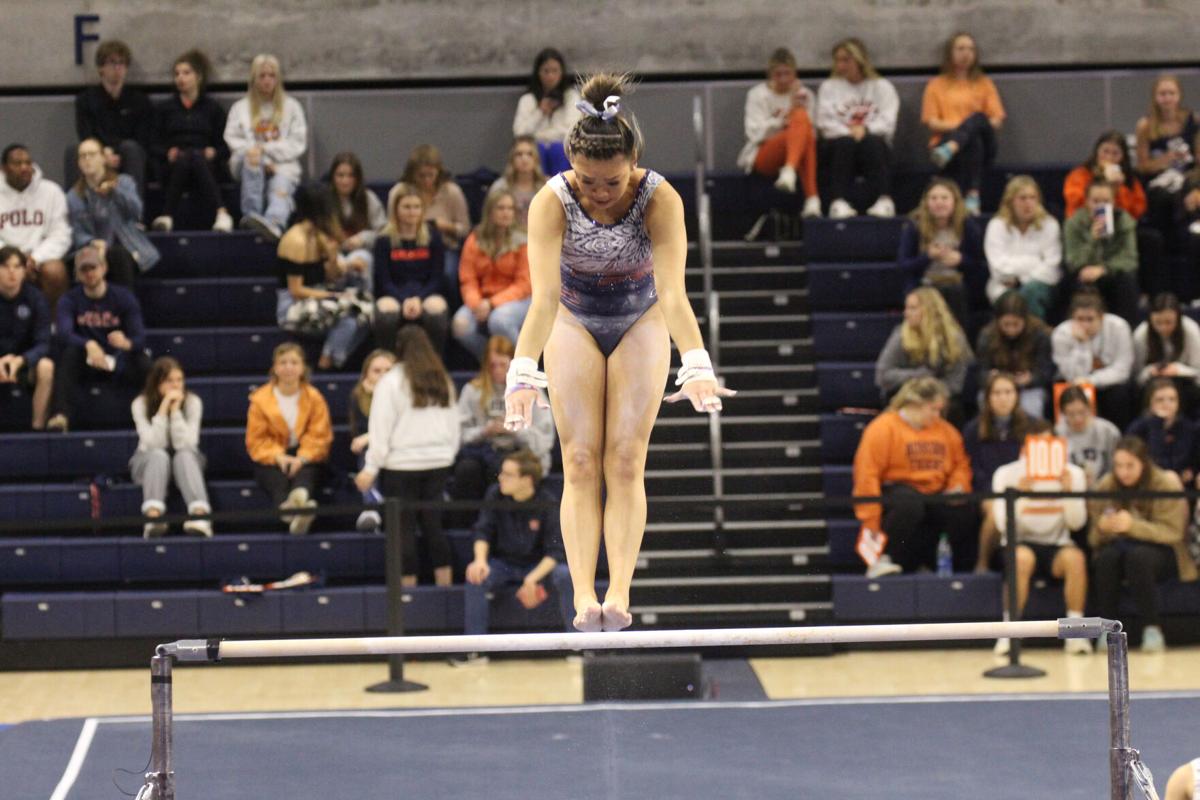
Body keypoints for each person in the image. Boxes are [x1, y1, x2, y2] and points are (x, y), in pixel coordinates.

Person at [505, 73, 733, 632]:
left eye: (610, 182)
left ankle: (620, 591)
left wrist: (697, 364)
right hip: (574, 319)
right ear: (570, 165)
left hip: (641, 318)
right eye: (587, 180)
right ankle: (585, 595)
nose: (598, 193)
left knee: (626, 459)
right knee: (580, 459)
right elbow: (543, 300)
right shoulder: (551, 200)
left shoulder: (660, 198)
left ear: (632, 165)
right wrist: (520, 373)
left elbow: (675, 295)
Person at [355, 326, 459, 587]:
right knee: (434, 527)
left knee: (404, 533)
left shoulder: (390, 382)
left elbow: (380, 429)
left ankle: (408, 598)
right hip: (439, 463)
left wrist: (370, 467)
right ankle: (444, 591)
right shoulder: (442, 379)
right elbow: (455, 427)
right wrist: (447, 455)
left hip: (400, 467)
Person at [852, 377, 975, 578]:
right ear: (914, 404)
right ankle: (883, 557)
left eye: (939, 410)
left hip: (935, 492)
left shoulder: (946, 431)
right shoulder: (882, 428)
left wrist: (957, 486)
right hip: (896, 490)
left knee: (963, 509)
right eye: (932, 409)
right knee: (910, 505)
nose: (937, 415)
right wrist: (870, 520)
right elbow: (867, 474)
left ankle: (933, 562)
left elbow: (960, 465)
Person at [989, 419, 1090, 655]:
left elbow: (1077, 523)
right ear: (1024, 447)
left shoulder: (1072, 474)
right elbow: (1004, 524)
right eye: (1036, 445)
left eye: (1048, 443)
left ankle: (1075, 635)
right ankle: (1008, 634)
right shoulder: (1006, 474)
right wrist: (1021, 496)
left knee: (1075, 559)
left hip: (1057, 545)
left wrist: (1068, 493)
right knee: (1021, 559)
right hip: (1020, 543)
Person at [1088, 435, 1194, 653]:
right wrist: (1102, 528)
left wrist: (1131, 526)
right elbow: (1092, 540)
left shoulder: (1163, 483)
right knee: (1106, 558)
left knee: (1138, 557)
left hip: (1164, 551)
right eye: (1118, 465)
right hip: (1119, 548)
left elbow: (1172, 533)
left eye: (1130, 465)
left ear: (1143, 463)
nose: (1123, 472)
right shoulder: (1107, 485)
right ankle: (1106, 630)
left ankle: (1152, 629)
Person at [462, 449, 569, 652]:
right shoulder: (495, 494)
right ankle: (473, 649)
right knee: (475, 577)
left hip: (538, 566)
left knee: (565, 575)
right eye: (502, 473)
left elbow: (555, 551)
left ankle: (581, 645)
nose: (501, 478)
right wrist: (480, 561)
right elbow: (483, 531)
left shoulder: (547, 501)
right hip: (504, 564)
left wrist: (532, 579)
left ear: (527, 479)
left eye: (508, 474)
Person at [451, 335, 555, 525]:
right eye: (492, 365)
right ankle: (466, 525)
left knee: (506, 469)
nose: (498, 370)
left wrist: (515, 430)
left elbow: (545, 441)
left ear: (512, 364)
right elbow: (459, 435)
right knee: (467, 470)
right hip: (485, 451)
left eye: (502, 364)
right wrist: (486, 431)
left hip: (520, 452)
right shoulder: (472, 391)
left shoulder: (531, 391)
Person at [48, 246, 150, 432]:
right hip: (86, 360)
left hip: (116, 359)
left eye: (93, 268)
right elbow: (63, 333)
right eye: (84, 270)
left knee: (142, 361)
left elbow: (140, 337)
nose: (89, 274)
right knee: (69, 354)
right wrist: (88, 343)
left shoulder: (123, 297)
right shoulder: (69, 300)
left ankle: (153, 412)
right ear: (77, 274)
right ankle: (60, 415)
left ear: (104, 268)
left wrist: (127, 343)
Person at [275, 183, 371, 370]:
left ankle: (333, 357)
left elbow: (331, 278)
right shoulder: (296, 240)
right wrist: (334, 297)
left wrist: (333, 257)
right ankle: (328, 361)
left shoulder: (317, 235)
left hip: (318, 294)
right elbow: (296, 290)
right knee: (351, 317)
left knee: (368, 311)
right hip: (291, 305)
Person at [246, 342, 331, 535]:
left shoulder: (314, 397)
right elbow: (256, 441)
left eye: (294, 362)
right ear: (275, 368)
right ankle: (295, 510)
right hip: (274, 457)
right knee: (273, 475)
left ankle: (297, 499)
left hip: (305, 455)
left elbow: (320, 436)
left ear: (302, 368)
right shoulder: (259, 400)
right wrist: (278, 456)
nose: (288, 367)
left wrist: (302, 458)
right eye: (283, 362)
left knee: (308, 470)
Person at [223, 54, 307, 240]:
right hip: (247, 162)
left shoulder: (292, 107)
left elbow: (297, 143)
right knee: (252, 157)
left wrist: (266, 152)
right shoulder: (240, 108)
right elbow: (232, 139)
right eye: (262, 76)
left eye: (271, 76)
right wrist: (261, 158)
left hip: (282, 164)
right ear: (254, 79)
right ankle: (252, 215)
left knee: (281, 183)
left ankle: (274, 223)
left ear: (278, 79)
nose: (267, 80)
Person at [920, 32, 1005, 215]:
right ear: (950, 53)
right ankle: (972, 195)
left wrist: (966, 127)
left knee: (978, 119)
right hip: (944, 145)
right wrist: (966, 129)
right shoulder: (936, 84)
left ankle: (954, 145)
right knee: (973, 137)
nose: (966, 53)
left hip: (976, 147)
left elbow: (996, 120)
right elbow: (932, 122)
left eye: (970, 49)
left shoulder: (984, 83)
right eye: (960, 49)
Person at [129, 356, 213, 539]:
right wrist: (164, 408)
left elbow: (187, 443)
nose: (175, 386)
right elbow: (152, 443)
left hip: (186, 463)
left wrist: (175, 413)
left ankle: (200, 517)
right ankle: (153, 517)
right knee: (159, 455)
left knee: (183, 455)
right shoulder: (140, 404)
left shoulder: (193, 402)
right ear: (157, 383)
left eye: (179, 380)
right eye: (169, 381)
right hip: (148, 463)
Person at [814, 37, 899, 218]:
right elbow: (823, 123)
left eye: (846, 60)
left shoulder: (882, 86)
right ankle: (838, 202)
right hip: (839, 147)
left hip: (872, 145)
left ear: (860, 60)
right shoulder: (829, 87)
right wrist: (850, 132)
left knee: (873, 142)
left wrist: (865, 130)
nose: (841, 65)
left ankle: (884, 200)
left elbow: (888, 121)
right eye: (837, 60)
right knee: (844, 143)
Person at [150, 49, 232, 233]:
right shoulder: (165, 109)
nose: (180, 78)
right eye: (177, 74)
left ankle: (167, 215)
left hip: (206, 168)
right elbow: (153, 144)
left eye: (186, 73)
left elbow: (225, 147)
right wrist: (166, 153)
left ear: (199, 77)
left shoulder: (213, 109)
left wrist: (214, 152)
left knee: (194, 156)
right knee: (187, 156)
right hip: (174, 168)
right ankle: (221, 212)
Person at [736, 47, 822, 217]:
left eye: (787, 74)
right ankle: (809, 194)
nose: (783, 79)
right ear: (770, 74)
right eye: (778, 74)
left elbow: (813, 135)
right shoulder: (758, 95)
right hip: (764, 154)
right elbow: (754, 134)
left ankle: (809, 198)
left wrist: (795, 111)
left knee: (803, 121)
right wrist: (784, 120)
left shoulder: (805, 96)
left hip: (799, 151)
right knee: (799, 117)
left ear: (795, 74)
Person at [68, 138, 160, 288]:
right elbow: (76, 232)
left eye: (92, 154)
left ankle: (126, 309)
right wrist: (92, 242)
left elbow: (137, 212)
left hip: (129, 247)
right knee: (92, 261)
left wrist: (116, 192)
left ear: (103, 158)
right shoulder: (74, 196)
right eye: (82, 156)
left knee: (118, 255)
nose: (87, 159)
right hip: (94, 249)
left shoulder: (124, 182)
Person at [452, 190, 531, 361]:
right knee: (460, 325)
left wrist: (492, 303)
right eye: (501, 208)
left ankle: (523, 366)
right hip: (482, 299)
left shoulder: (523, 240)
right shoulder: (475, 239)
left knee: (499, 320)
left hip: (519, 299)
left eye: (510, 209)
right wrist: (476, 303)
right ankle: (491, 365)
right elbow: (468, 279)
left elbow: (524, 284)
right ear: (490, 211)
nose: (506, 213)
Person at [896, 178, 985, 329]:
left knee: (955, 292)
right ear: (926, 202)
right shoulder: (914, 226)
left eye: (944, 198)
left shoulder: (967, 225)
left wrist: (961, 260)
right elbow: (903, 265)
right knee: (929, 296)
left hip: (957, 284)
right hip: (925, 283)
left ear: (954, 202)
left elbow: (979, 263)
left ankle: (957, 345)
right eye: (934, 198)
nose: (939, 203)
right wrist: (927, 256)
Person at [963, 372, 1031, 572]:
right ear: (988, 398)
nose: (1003, 398)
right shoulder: (973, 429)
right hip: (988, 490)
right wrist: (993, 491)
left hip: (1024, 488)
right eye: (997, 393)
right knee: (996, 512)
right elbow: (972, 467)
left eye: (1008, 392)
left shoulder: (1031, 425)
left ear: (1016, 395)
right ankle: (982, 563)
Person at [874, 287, 973, 422]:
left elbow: (955, 383)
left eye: (913, 308)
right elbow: (883, 375)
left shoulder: (954, 339)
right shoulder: (901, 335)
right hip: (906, 398)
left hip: (940, 400)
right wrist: (919, 376)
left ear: (930, 311)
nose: (906, 313)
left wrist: (930, 391)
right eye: (907, 308)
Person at [372, 182, 449, 353]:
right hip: (393, 292)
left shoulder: (432, 237)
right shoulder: (384, 240)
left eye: (416, 207)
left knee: (437, 310)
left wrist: (419, 299)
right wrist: (403, 299)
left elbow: (437, 278)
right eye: (406, 207)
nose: (412, 212)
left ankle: (434, 361)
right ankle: (388, 359)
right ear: (396, 210)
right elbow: (383, 280)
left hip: (426, 291)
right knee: (386, 312)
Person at [390, 145, 470, 303]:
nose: (427, 180)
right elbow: (390, 227)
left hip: (446, 246)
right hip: (408, 246)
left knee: (448, 272)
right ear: (412, 174)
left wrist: (447, 226)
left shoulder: (451, 191)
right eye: (421, 176)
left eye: (431, 175)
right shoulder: (400, 191)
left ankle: (452, 311)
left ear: (439, 172)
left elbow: (466, 229)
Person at [72, 39, 152, 195]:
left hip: (129, 154)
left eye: (121, 63)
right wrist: (103, 154)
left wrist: (116, 152)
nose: (117, 68)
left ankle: (134, 213)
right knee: (75, 151)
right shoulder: (86, 100)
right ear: (101, 68)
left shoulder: (140, 101)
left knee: (131, 148)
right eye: (112, 63)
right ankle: (79, 211)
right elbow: (86, 134)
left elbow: (144, 138)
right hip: (98, 153)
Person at [1051, 287, 1134, 429]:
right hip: (1075, 384)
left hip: (1109, 384)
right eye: (1079, 319)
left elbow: (1122, 370)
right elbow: (1071, 375)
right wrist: (1081, 344)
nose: (1084, 325)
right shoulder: (1061, 334)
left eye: (1090, 319)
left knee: (1120, 394)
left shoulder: (1119, 327)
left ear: (1102, 317)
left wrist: (1091, 381)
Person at [0, 144, 70, 309]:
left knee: (55, 271)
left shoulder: (51, 191)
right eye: (17, 163)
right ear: (4, 168)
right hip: (3, 258)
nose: (24, 167)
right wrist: (13, 260)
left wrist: (36, 258)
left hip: (39, 259)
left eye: (27, 162)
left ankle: (53, 327)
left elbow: (61, 234)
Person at [1134, 75, 1198, 251]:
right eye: (1162, 94)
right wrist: (1165, 160)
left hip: (1188, 178)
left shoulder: (1193, 120)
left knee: (1189, 192)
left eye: (1171, 93)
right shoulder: (1146, 126)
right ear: (1155, 97)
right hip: (1159, 183)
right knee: (1168, 197)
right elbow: (1142, 166)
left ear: (1179, 96)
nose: (1167, 98)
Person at [983, 175, 1061, 319]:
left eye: (1033, 198)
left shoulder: (1050, 224)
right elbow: (998, 269)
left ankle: (1034, 339)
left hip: (1041, 285)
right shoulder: (997, 225)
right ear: (1010, 201)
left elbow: (1052, 268)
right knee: (1009, 301)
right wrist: (1033, 262)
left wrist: (1020, 280)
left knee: (1031, 292)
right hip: (1002, 286)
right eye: (1022, 198)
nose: (1028, 203)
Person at [1063, 178, 1140, 324]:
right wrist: (1093, 240)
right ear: (1086, 202)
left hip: (1112, 273)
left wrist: (1105, 269)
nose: (1100, 205)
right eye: (1095, 201)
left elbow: (1130, 259)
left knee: (1127, 281)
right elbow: (1073, 261)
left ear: (1113, 202)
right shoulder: (1073, 223)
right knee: (1071, 283)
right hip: (1084, 273)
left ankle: (1128, 333)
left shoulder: (1124, 221)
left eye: (1106, 201)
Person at [975, 290, 1054, 419]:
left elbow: (1046, 370)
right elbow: (981, 370)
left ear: (1025, 319)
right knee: (984, 400)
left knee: (1032, 406)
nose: (1011, 329)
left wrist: (1031, 378)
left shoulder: (1040, 335)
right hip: (998, 385)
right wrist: (990, 378)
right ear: (998, 321)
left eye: (1016, 324)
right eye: (1006, 324)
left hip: (1028, 388)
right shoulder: (987, 336)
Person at [0, 247, 53, 430]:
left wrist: (21, 360)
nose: (12, 272)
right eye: (6, 267)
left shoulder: (35, 299)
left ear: (24, 271)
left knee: (46, 366)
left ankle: (37, 427)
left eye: (17, 266)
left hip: (24, 363)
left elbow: (44, 343)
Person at [348, 348, 396, 532]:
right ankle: (371, 508)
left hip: (403, 448)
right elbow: (357, 433)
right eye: (377, 371)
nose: (383, 376)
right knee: (368, 452)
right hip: (375, 451)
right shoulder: (358, 396)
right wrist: (375, 398)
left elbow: (398, 428)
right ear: (366, 375)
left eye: (388, 371)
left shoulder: (406, 395)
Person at [512, 48, 581, 176]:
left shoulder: (571, 97)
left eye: (555, 71)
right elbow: (520, 133)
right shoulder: (528, 100)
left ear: (562, 73)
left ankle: (562, 192)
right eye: (546, 71)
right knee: (538, 149)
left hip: (562, 149)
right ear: (538, 73)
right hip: (537, 149)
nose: (550, 76)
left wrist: (544, 136)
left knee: (557, 149)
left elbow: (573, 130)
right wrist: (540, 113)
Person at [1132, 292, 1200, 415]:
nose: (1163, 328)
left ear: (1178, 319)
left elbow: (1198, 371)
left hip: (1184, 381)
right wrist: (1150, 370)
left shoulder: (1190, 330)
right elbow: (1136, 374)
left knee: (1186, 389)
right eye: (1158, 322)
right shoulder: (1141, 334)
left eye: (1168, 322)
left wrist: (1178, 370)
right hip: (1151, 382)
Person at [1127, 377, 1199, 486]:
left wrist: (1192, 471)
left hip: (1182, 483)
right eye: (1160, 400)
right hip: (1146, 483)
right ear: (1149, 402)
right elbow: (1156, 462)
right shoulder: (1138, 428)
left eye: (1172, 399)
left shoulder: (1188, 427)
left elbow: (1191, 461)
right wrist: (1157, 425)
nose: (1167, 404)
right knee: (1170, 477)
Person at [1055, 384, 1121, 487]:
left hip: (1104, 490)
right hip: (1070, 490)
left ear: (1089, 407)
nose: (1078, 419)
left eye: (1082, 412)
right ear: (1063, 413)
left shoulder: (1108, 431)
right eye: (1071, 414)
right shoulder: (1057, 434)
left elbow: (1117, 467)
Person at [329, 152, 387, 260]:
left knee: (359, 259)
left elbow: (383, 232)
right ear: (332, 177)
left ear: (358, 178)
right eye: (340, 175)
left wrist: (364, 238)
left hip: (362, 252)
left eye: (350, 176)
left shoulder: (368, 198)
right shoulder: (324, 199)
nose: (345, 181)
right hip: (332, 253)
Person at [489, 136, 548, 228]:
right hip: (509, 238)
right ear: (512, 159)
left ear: (536, 159)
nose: (524, 159)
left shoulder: (548, 186)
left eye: (530, 154)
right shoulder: (500, 187)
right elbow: (491, 221)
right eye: (519, 154)